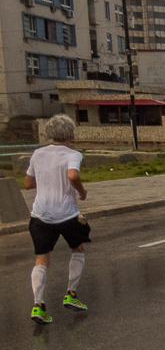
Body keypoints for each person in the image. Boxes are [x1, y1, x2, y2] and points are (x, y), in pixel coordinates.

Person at [24, 114, 90, 323]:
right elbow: (72, 176)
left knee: (41, 259)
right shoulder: (73, 154)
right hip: (67, 214)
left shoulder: (37, 154)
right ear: (70, 134)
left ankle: (38, 305)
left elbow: (27, 183)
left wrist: (45, 183)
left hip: (40, 214)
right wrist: (82, 192)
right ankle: (71, 293)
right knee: (78, 249)